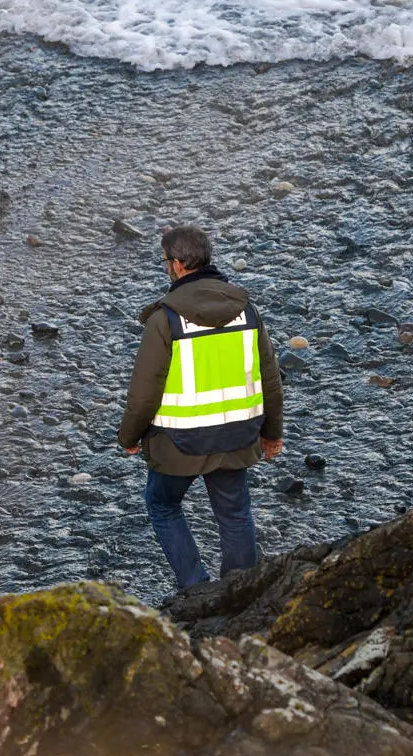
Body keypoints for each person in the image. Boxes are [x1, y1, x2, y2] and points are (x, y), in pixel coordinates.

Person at [120, 225, 284, 590]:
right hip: (236, 436)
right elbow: (270, 378)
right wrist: (272, 434)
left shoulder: (164, 320)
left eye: (165, 261)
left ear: (178, 265)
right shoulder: (247, 311)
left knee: (162, 504)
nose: (166, 267)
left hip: (179, 443)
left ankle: (195, 588)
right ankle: (240, 592)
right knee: (235, 515)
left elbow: (144, 392)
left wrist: (128, 437)